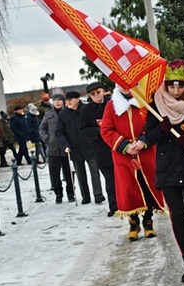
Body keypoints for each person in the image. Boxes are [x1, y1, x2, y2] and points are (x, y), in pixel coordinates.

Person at [137, 59, 184, 283]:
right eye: (172, 86)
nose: (176, 90)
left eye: (180, 86)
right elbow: (148, 137)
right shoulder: (156, 105)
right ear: (166, 85)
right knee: (177, 216)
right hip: (168, 168)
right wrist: (160, 129)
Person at [100, 84, 165, 239]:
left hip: (145, 151)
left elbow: (154, 123)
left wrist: (144, 140)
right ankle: (133, 223)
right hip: (123, 156)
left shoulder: (144, 101)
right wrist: (124, 146)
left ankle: (148, 222)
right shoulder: (111, 105)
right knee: (129, 189)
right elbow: (106, 130)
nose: (126, 88)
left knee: (148, 186)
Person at [56, 91, 105, 204]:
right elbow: (59, 132)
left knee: (94, 171)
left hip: (90, 145)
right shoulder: (63, 114)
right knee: (80, 173)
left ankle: (98, 195)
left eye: (70, 99)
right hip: (74, 147)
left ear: (77, 99)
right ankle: (85, 196)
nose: (67, 102)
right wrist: (65, 145)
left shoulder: (87, 109)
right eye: (66, 100)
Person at [80, 82, 118, 216]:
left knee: (122, 178)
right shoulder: (86, 110)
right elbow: (83, 129)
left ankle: (127, 203)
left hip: (118, 145)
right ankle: (114, 206)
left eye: (98, 92)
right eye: (93, 94)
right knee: (109, 180)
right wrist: (99, 131)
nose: (96, 96)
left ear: (103, 91)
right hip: (101, 148)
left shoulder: (114, 103)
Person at [39, 98, 75, 203]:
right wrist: (47, 139)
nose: (57, 102)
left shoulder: (67, 112)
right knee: (54, 173)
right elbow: (42, 128)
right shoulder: (48, 114)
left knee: (69, 173)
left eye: (59, 100)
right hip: (53, 149)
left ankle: (71, 193)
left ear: (63, 102)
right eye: (55, 100)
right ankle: (58, 193)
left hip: (66, 147)